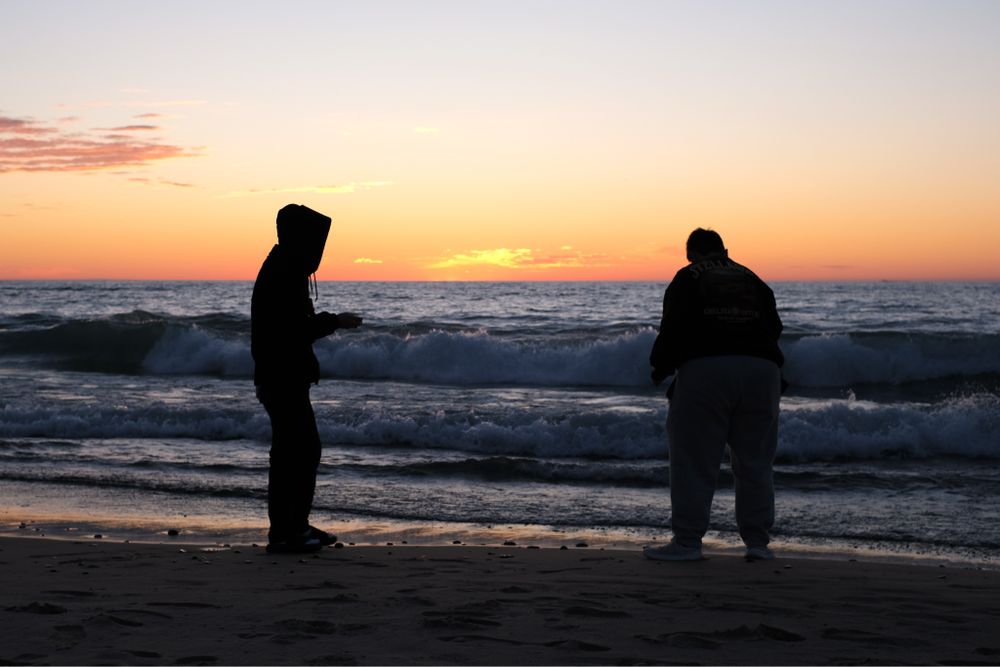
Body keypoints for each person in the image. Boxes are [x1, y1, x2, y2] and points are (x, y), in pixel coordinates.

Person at [647, 228, 783, 562]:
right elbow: (774, 328)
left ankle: (688, 542)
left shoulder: (687, 277)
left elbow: (674, 328)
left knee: (694, 459)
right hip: (763, 371)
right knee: (755, 461)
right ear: (725, 250)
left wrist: (660, 367)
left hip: (707, 370)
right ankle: (757, 543)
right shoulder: (753, 278)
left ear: (690, 254)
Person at [251, 204, 362, 554]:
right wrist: (336, 321)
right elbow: (295, 328)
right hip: (280, 377)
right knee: (299, 451)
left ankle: (288, 528)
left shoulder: (284, 267)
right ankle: (291, 529)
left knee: (290, 452)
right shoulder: (284, 272)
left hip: (280, 376)